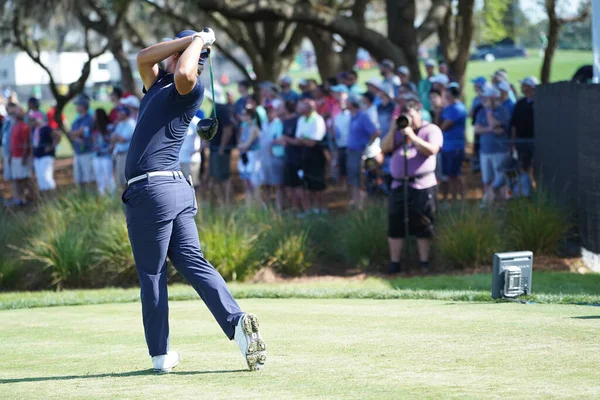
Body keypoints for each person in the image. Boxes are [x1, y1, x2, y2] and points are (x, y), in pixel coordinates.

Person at [124, 28, 266, 373]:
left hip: (151, 190)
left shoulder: (190, 88)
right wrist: (191, 41)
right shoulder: (158, 83)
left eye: (178, 48)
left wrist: (199, 41)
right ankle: (237, 324)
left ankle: (160, 355)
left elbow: (186, 71)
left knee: (152, 274)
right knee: (193, 263)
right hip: (174, 190)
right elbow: (143, 57)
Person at [381, 99, 443, 274]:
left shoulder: (431, 130)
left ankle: (424, 262)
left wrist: (413, 136)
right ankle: (395, 263)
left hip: (422, 185)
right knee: (395, 223)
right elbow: (384, 148)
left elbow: (432, 150)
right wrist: (394, 129)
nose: (408, 119)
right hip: (398, 185)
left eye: (411, 116)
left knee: (423, 223)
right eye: (405, 115)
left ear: (419, 113)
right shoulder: (398, 131)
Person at [474, 85, 512, 206]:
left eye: (486, 97)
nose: (483, 99)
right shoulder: (481, 111)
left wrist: (490, 112)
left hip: (499, 151)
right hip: (485, 151)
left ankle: (501, 205)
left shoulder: (503, 111)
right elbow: (477, 129)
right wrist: (491, 128)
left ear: (492, 98)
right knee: (487, 180)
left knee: (500, 180)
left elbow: (498, 127)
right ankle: (489, 204)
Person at [290, 99, 327, 215]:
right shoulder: (301, 120)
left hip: (317, 154)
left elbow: (313, 142)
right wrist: (304, 140)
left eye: (301, 106)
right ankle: (311, 210)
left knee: (318, 183)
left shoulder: (318, 120)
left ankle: (320, 208)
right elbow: (299, 138)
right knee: (307, 182)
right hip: (304, 154)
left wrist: (303, 140)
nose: (299, 109)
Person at [346, 94, 379, 209]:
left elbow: (375, 132)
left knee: (361, 178)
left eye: (348, 101)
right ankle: (355, 202)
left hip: (360, 152)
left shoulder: (363, 116)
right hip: (351, 151)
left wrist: (368, 146)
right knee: (352, 178)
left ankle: (363, 205)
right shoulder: (351, 116)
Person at [207, 84, 235, 206]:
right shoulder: (215, 108)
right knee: (215, 176)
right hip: (214, 148)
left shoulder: (222, 109)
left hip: (221, 149)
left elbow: (228, 129)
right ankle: (221, 202)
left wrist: (222, 147)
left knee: (223, 177)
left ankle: (227, 202)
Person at [439, 83, 467, 204]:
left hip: (455, 147)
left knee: (454, 175)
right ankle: (452, 198)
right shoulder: (448, 108)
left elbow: (444, 126)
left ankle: (460, 199)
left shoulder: (458, 108)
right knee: (448, 175)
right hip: (446, 146)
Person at [511, 76, 537, 185]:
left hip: (536, 142)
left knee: (535, 168)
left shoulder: (540, 102)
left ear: (531, 87)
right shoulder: (520, 103)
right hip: (521, 142)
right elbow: (514, 124)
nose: (521, 87)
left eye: (524, 85)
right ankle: (527, 192)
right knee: (523, 168)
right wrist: (512, 142)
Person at [278, 100, 302, 210]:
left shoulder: (297, 121)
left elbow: (298, 140)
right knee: (289, 184)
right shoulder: (285, 122)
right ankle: (293, 207)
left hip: (297, 157)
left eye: (282, 107)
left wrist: (286, 139)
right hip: (287, 156)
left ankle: (300, 207)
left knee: (297, 184)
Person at [261, 104, 285, 211]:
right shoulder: (263, 124)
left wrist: (272, 143)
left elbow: (279, 139)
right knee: (266, 184)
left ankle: (279, 207)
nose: (269, 113)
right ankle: (266, 206)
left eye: (271, 111)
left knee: (278, 184)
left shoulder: (279, 123)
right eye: (267, 111)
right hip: (264, 157)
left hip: (276, 155)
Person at [68, 97, 95, 189]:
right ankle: (83, 197)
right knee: (79, 178)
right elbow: (70, 133)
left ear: (83, 107)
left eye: (78, 105)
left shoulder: (89, 118)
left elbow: (82, 132)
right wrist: (76, 136)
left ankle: (91, 198)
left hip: (87, 151)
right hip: (78, 152)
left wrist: (75, 134)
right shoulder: (76, 120)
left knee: (89, 178)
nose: (76, 107)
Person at [237, 108, 262, 206]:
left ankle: (257, 205)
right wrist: (240, 146)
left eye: (244, 114)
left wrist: (241, 146)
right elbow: (240, 142)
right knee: (246, 183)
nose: (242, 116)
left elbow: (246, 144)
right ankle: (249, 205)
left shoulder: (254, 128)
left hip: (253, 156)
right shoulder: (245, 127)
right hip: (245, 156)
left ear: (249, 116)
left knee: (253, 183)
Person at [9, 107, 33, 205]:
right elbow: (12, 143)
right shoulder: (15, 126)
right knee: (16, 178)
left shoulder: (24, 127)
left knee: (23, 178)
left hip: (21, 157)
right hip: (15, 156)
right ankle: (18, 197)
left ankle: (24, 198)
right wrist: (11, 155)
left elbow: (26, 142)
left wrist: (24, 156)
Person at [31, 112, 59, 194]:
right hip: (38, 155)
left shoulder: (47, 128)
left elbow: (57, 136)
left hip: (46, 156)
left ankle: (52, 195)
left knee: (46, 176)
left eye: (33, 120)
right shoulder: (35, 129)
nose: (32, 122)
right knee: (40, 177)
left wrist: (52, 147)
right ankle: (44, 196)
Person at [179, 108, 203, 200]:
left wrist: (197, 150)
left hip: (191, 160)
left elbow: (204, 140)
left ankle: (196, 204)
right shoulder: (178, 121)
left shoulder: (196, 122)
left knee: (194, 184)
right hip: (179, 160)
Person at [331, 85, 351, 189]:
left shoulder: (350, 113)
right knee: (341, 167)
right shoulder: (335, 111)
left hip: (349, 145)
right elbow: (334, 127)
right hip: (339, 144)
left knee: (349, 169)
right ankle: (343, 188)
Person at [92, 108, 116, 195]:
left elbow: (113, 140)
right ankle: (102, 196)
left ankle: (112, 196)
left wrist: (109, 149)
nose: (93, 116)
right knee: (99, 177)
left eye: (95, 114)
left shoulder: (109, 127)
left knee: (108, 176)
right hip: (96, 156)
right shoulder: (94, 128)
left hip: (107, 156)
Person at [111, 105, 136, 188]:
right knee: (120, 182)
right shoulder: (120, 124)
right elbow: (112, 139)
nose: (117, 114)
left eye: (119, 112)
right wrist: (117, 138)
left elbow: (122, 139)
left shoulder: (130, 123)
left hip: (126, 155)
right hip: (119, 154)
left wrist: (117, 138)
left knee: (127, 182)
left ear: (124, 113)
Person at [2, 102, 18, 204]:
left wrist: (12, 153)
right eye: (8, 108)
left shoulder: (15, 121)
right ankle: (15, 196)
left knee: (17, 177)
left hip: (14, 153)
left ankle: (18, 197)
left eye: (11, 108)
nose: (9, 110)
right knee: (11, 177)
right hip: (7, 152)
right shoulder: (6, 121)